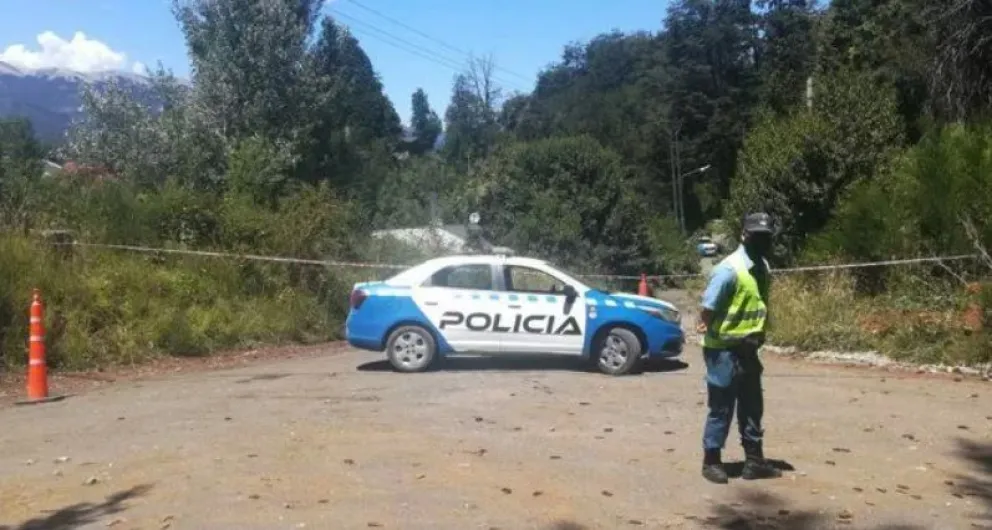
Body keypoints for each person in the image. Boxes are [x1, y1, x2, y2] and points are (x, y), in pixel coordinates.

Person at [695, 212, 782, 484]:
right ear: (744, 235)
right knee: (721, 407)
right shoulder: (728, 270)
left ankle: (754, 461)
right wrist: (708, 330)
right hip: (723, 350)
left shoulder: (763, 267)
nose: (762, 241)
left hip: (749, 349)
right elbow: (707, 310)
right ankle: (711, 461)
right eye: (757, 236)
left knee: (752, 405)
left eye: (766, 237)